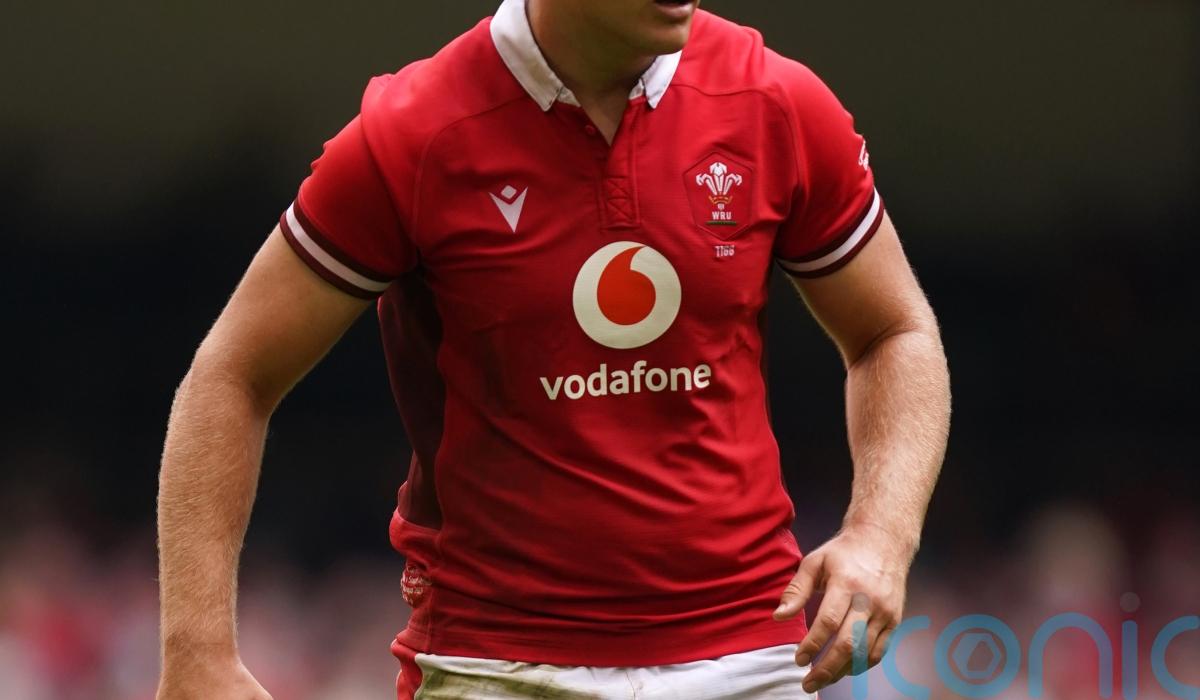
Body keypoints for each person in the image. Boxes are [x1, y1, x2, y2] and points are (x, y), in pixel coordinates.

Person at [155, 0, 951, 697]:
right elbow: (233, 375)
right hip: (494, 666)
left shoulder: (774, 101)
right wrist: (197, 653)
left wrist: (882, 535)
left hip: (750, 653)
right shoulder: (414, 132)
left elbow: (893, 331)